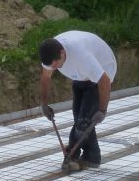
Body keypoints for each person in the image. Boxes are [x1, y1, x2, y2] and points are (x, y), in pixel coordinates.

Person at [39, 30, 117, 170]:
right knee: (81, 120)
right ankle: (92, 157)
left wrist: (102, 110)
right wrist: (44, 104)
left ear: (62, 53)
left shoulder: (82, 57)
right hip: (80, 75)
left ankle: (71, 156)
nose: (54, 69)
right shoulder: (50, 53)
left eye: (56, 66)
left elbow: (104, 81)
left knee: (83, 122)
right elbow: (46, 77)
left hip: (103, 71)